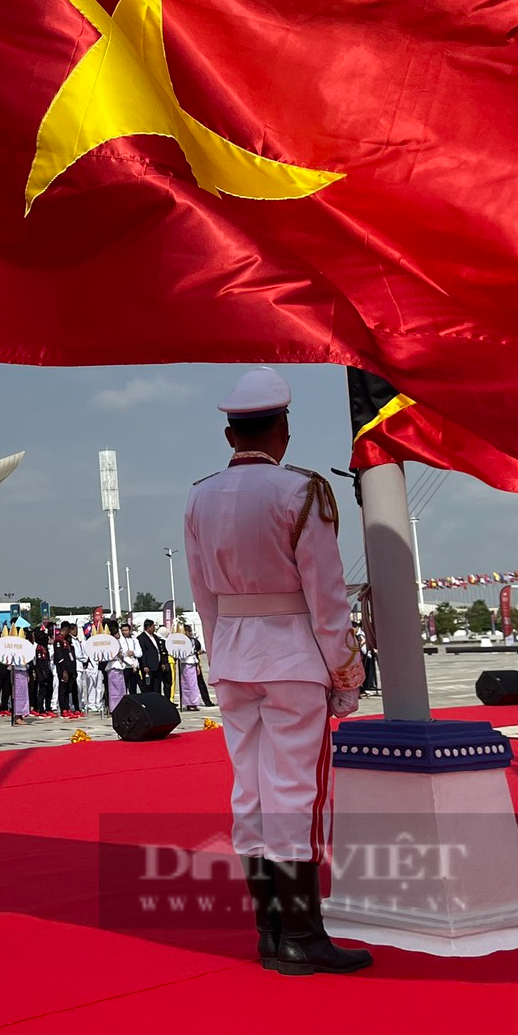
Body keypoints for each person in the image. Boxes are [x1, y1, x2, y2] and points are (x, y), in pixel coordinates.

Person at [184, 367, 371, 976]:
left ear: (229, 434)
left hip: (234, 657)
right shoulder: (301, 492)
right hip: (292, 656)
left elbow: (202, 596)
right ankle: (302, 937)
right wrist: (344, 673)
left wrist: (220, 656)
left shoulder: (200, 494)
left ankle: (269, 933)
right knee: (296, 793)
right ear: (283, 427)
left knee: (251, 792)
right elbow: (327, 594)